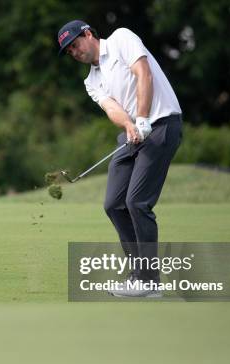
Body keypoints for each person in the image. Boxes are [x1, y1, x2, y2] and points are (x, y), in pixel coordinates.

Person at [57, 20, 183, 297]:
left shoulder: (121, 38)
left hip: (161, 124)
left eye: (75, 45)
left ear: (88, 34)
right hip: (134, 132)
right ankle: (139, 275)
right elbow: (111, 107)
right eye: (69, 52)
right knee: (114, 204)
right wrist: (129, 125)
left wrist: (142, 117)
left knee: (137, 202)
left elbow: (143, 74)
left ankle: (149, 282)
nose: (74, 53)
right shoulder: (91, 80)